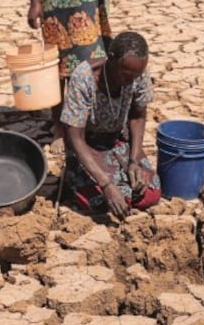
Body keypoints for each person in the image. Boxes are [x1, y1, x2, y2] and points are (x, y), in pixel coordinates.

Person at [60, 31, 161, 219]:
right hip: (86, 145)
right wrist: (105, 184)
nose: (131, 80)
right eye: (126, 74)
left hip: (117, 141)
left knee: (149, 192)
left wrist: (134, 160)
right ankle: (77, 178)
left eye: (136, 75)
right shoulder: (84, 78)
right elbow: (75, 136)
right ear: (111, 59)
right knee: (98, 200)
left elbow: (138, 117)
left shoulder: (137, 73)